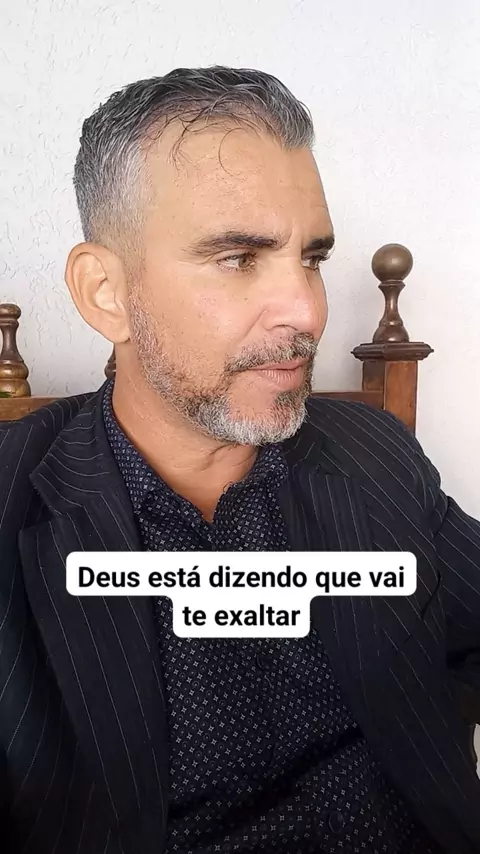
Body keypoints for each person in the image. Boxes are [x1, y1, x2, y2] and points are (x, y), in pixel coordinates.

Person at [0, 66, 479, 854]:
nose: (306, 311)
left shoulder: (374, 452)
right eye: (239, 258)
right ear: (106, 292)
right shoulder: (14, 505)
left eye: (312, 258)